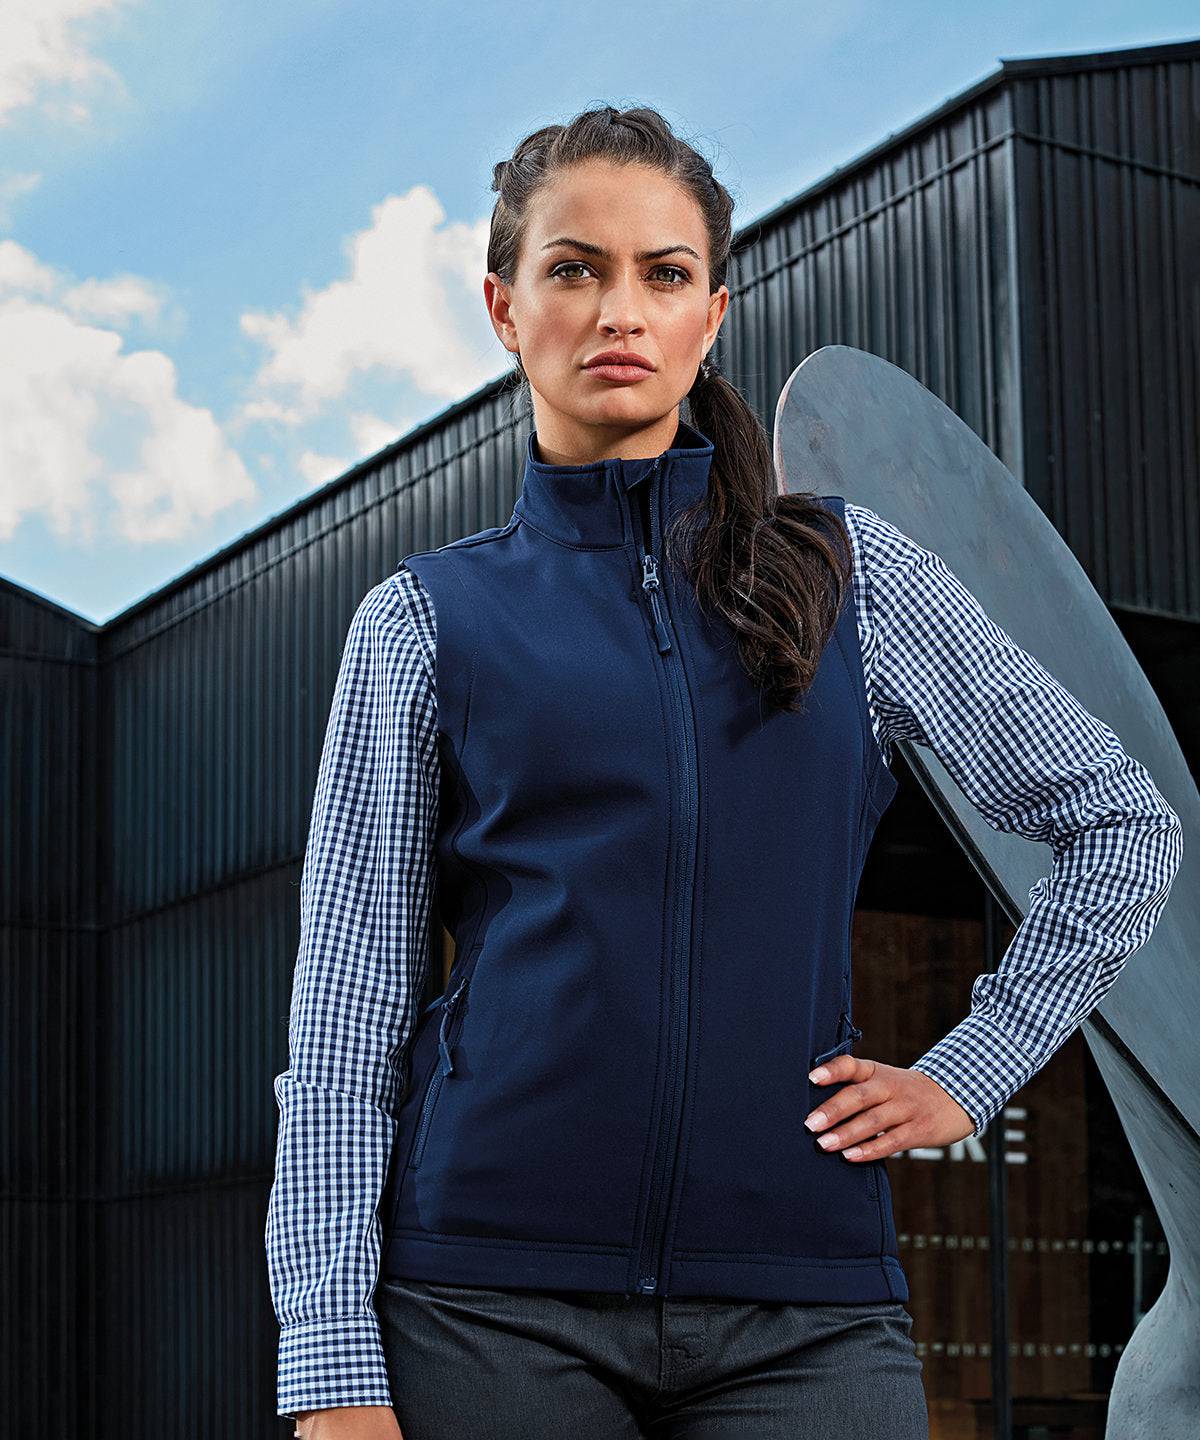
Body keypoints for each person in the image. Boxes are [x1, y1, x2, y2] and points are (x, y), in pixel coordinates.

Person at [264, 105, 1183, 1439]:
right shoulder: (424, 625)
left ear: (711, 315)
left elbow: (1121, 822)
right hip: (484, 1303)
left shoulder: (853, 579)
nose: (619, 311)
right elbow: (348, 1013)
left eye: (665, 273)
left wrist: (973, 1067)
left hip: (804, 1311)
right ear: (504, 309)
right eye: (573, 269)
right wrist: (331, 1364)